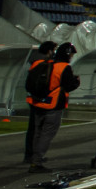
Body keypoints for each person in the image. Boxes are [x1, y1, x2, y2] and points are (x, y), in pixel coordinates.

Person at [26, 42, 80, 172]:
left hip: (37, 103)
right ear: (67, 54)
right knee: (46, 134)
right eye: (71, 55)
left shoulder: (43, 64)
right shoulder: (64, 67)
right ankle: (37, 162)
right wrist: (76, 82)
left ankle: (34, 159)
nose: (71, 57)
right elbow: (68, 86)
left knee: (37, 133)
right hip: (53, 105)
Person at [22, 41, 55, 164]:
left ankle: (31, 154)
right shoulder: (43, 64)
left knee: (34, 129)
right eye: (53, 49)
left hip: (33, 99)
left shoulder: (35, 62)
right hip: (40, 100)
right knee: (37, 129)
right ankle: (32, 155)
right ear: (49, 51)